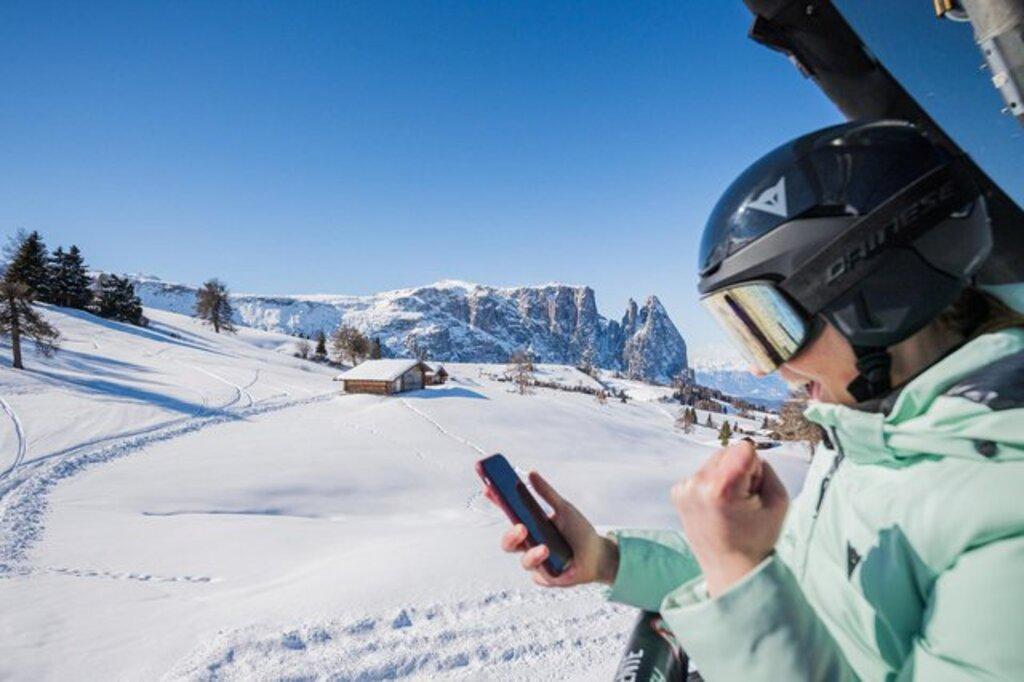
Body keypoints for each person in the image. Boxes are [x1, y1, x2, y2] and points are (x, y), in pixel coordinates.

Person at [484, 120, 1024, 679]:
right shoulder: (872, 433)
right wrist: (606, 558)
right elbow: (795, 579)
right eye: (744, 331)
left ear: (874, 295)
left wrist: (737, 572)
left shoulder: (1006, 514)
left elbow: (758, 584)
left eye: (770, 327)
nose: (759, 368)